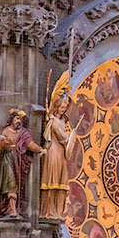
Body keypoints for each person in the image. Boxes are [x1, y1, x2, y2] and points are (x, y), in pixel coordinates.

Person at [0, 109, 43, 218]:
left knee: (17, 186)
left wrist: (39, 149)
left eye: (20, 119)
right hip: (8, 160)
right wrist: (4, 143)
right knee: (11, 184)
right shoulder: (6, 131)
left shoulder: (23, 132)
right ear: (12, 119)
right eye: (17, 119)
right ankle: (12, 209)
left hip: (19, 162)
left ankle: (13, 207)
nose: (19, 121)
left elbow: (30, 144)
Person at [39, 84, 77, 221]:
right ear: (56, 107)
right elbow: (63, 137)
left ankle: (58, 211)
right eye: (61, 107)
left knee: (61, 183)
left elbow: (69, 114)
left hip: (61, 153)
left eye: (64, 108)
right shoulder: (53, 121)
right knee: (52, 182)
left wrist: (69, 99)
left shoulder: (61, 120)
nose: (63, 110)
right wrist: (70, 139)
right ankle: (49, 211)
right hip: (54, 152)